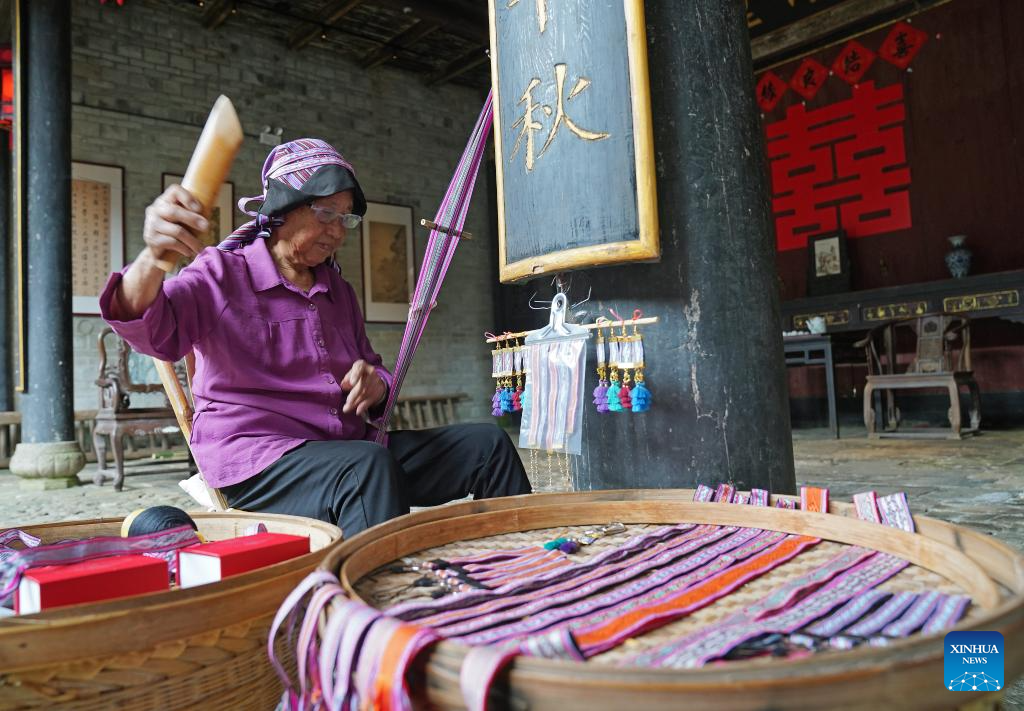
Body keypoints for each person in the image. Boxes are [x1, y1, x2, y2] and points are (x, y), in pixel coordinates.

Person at [101, 138, 531, 535]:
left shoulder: (336, 291)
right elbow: (151, 331)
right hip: (258, 462)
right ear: (283, 209)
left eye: (346, 218)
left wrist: (375, 384)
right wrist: (154, 257)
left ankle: (524, 569)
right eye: (326, 213)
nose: (338, 231)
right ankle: (373, 589)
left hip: (346, 450)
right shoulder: (223, 273)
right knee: (365, 468)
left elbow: (372, 366)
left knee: (488, 445)